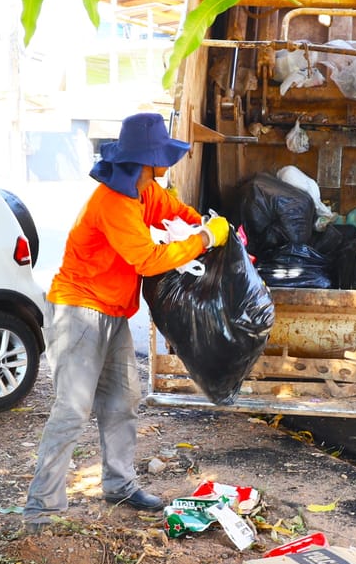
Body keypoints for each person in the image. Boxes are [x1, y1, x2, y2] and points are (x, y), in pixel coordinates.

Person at [21, 112, 230, 527]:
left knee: (122, 401)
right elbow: (148, 260)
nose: (167, 164)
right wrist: (204, 239)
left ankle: (119, 485)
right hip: (77, 310)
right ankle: (42, 508)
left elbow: (174, 211)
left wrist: (202, 224)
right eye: (162, 157)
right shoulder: (114, 202)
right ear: (148, 161)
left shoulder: (143, 190)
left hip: (113, 311)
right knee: (73, 409)